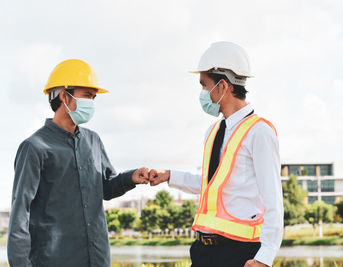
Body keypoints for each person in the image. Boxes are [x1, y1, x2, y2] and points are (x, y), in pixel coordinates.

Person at [149, 42, 284, 267]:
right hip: (204, 251)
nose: (202, 93)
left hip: (240, 252)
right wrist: (169, 176)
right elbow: (209, 185)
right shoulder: (213, 132)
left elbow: (274, 200)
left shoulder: (259, 132)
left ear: (223, 87)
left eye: (204, 85)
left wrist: (265, 257)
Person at [7, 59, 150, 267]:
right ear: (65, 96)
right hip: (53, 260)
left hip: (96, 258)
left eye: (93, 97)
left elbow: (104, 188)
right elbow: (20, 213)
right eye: (87, 96)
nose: (91, 103)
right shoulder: (35, 147)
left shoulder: (93, 141)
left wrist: (130, 178)